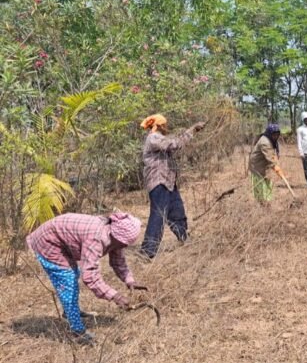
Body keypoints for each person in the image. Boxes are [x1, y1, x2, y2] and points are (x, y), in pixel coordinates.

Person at [27, 212, 145, 345]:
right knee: (68, 281)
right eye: (123, 243)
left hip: (61, 241)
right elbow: (90, 277)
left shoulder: (115, 236)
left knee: (72, 274)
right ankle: (77, 332)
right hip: (47, 242)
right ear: (115, 235)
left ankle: (71, 312)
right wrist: (115, 296)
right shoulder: (96, 238)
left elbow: (118, 261)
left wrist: (129, 280)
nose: (124, 246)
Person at [139, 114, 205, 259]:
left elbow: (174, 142)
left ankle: (184, 238)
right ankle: (147, 251)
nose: (167, 127)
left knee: (177, 211)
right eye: (165, 124)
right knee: (158, 216)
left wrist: (190, 132)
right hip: (159, 183)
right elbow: (174, 144)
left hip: (168, 182)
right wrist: (191, 130)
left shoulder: (159, 138)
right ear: (159, 126)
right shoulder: (153, 138)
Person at [249, 123, 285, 203]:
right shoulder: (264, 142)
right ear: (269, 134)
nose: (276, 136)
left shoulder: (270, 140)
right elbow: (270, 158)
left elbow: (272, 155)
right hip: (257, 166)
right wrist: (277, 169)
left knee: (268, 183)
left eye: (277, 134)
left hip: (264, 165)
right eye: (274, 134)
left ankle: (267, 202)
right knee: (260, 186)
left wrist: (277, 164)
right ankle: (262, 204)